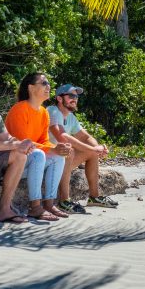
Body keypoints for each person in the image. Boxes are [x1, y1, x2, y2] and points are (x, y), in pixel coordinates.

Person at [5, 73, 72, 221]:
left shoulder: (43, 113)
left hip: (32, 161)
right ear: (31, 87)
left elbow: (44, 141)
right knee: (38, 154)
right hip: (14, 165)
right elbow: (23, 144)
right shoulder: (20, 109)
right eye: (44, 83)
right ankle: (35, 207)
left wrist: (57, 148)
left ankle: (49, 203)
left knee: (57, 156)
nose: (48, 86)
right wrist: (52, 149)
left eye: (48, 83)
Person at [48, 83, 118, 214]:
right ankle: (64, 201)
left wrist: (98, 148)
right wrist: (93, 149)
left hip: (60, 162)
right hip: (47, 160)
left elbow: (86, 137)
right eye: (71, 96)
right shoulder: (52, 111)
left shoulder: (70, 117)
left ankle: (94, 197)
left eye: (76, 96)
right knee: (69, 150)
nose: (75, 99)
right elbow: (63, 137)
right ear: (59, 98)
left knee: (91, 154)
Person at [0, 71, 34, 227]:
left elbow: (6, 138)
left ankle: (4, 209)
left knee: (19, 155)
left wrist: (22, 144)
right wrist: (14, 144)